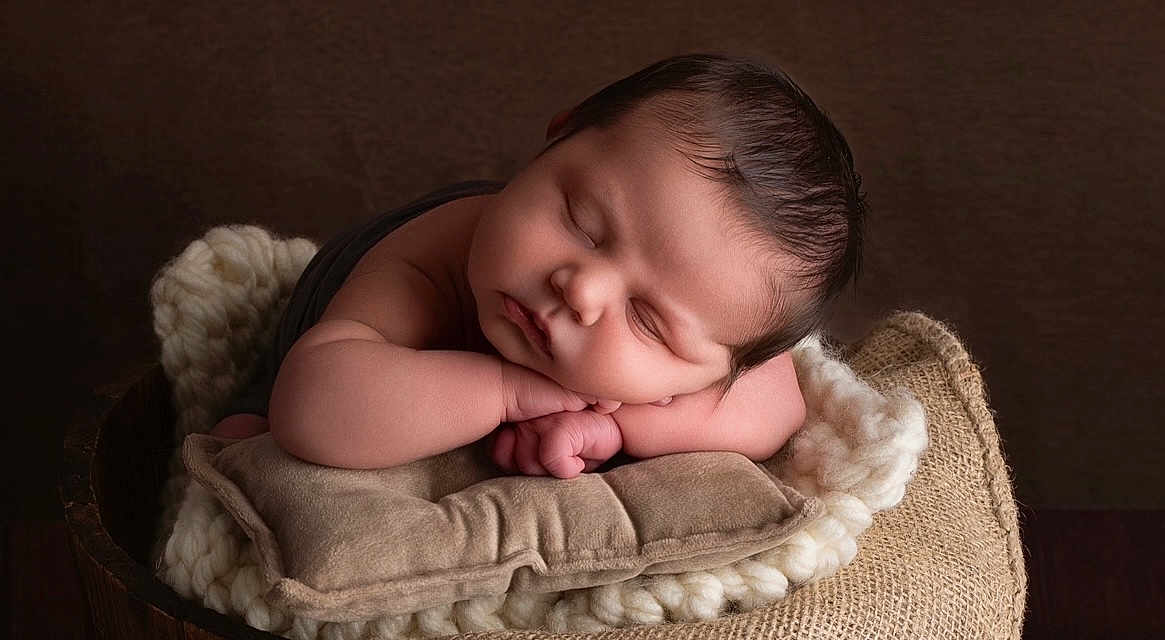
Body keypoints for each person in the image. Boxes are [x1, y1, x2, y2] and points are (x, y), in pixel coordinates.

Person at [211, 52, 866, 479]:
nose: (580, 287)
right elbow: (316, 407)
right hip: (328, 354)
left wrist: (609, 420)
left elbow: (773, 406)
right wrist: (511, 394)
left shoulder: (718, 319)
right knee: (255, 445)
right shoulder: (433, 260)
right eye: (581, 222)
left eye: (645, 319)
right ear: (562, 133)